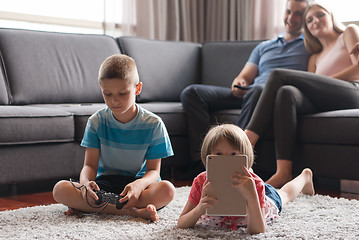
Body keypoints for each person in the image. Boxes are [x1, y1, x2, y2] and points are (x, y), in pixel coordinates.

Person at [180, 0, 310, 177]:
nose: (291, 17)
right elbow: (245, 76)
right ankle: (203, 162)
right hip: (251, 93)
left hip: (273, 96)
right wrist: (239, 83)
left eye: (298, 13)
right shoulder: (265, 46)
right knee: (192, 93)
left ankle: (237, 156)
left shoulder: (310, 46)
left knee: (258, 90)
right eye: (288, 11)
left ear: (306, 17)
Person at [245, 3, 359, 188]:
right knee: (286, 92)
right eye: (309, 20)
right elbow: (314, 89)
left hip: (352, 93)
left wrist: (327, 80)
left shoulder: (348, 33)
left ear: (331, 16)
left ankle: (246, 139)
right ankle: (283, 172)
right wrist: (321, 82)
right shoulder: (314, 57)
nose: (315, 21)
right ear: (307, 29)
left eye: (320, 15)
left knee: (278, 75)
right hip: (327, 100)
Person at [52, 54, 176, 221]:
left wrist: (138, 185)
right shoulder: (96, 122)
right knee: (60, 189)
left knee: (167, 190)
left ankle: (93, 208)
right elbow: (89, 165)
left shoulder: (154, 124)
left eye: (122, 93)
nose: (114, 100)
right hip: (105, 184)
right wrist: (85, 184)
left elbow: (154, 171)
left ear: (137, 89)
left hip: (138, 185)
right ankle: (133, 212)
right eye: (107, 94)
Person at [177, 124, 315, 234]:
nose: (226, 161)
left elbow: (258, 231)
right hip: (246, 183)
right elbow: (181, 223)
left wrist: (252, 197)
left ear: (244, 156)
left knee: (284, 195)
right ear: (208, 156)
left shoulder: (256, 184)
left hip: (256, 193)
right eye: (218, 154)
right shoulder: (201, 182)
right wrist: (200, 208)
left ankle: (305, 177)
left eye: (233, 155)